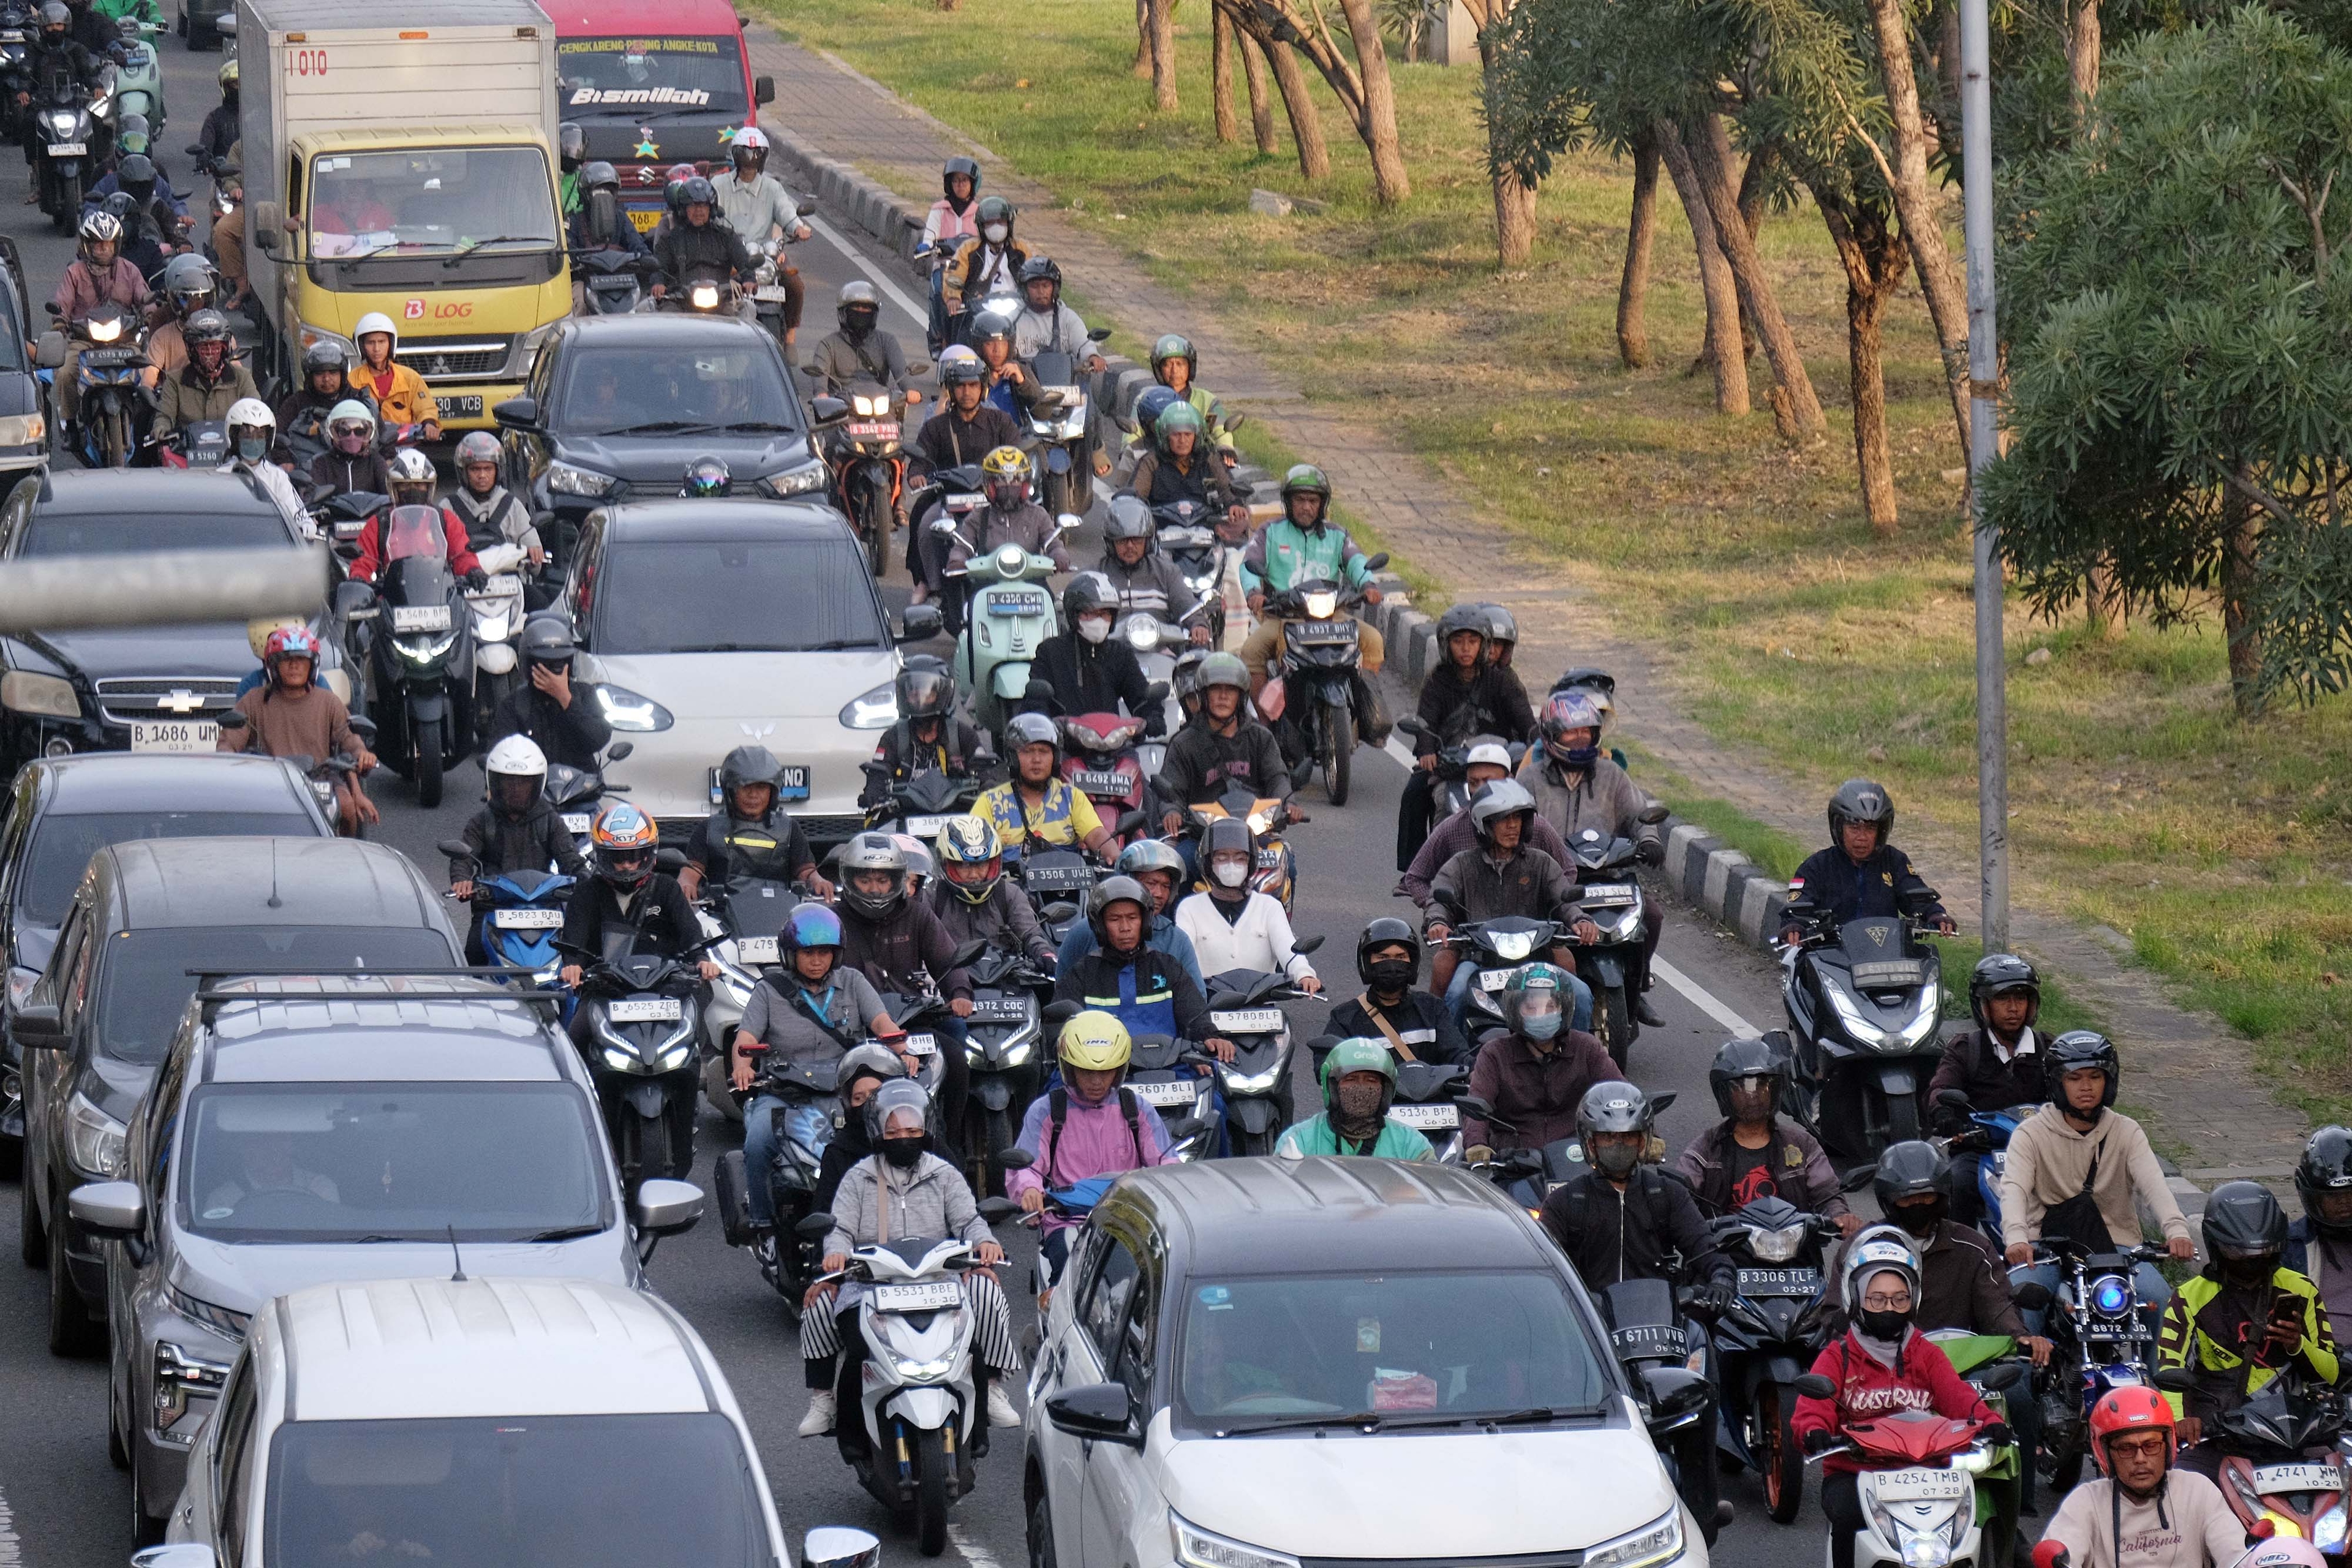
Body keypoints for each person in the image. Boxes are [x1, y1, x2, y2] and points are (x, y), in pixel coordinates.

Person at [1540, 1080, 1733, 1543]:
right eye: (1609, 1139)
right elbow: (1545, 1267)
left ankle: (1704, 1497)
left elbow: (1706, 1251)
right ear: (1589, 1142)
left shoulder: (1668, 1193)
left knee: (1702, 1348)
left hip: (1662, 1329)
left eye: (1628, 1138)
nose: (1619, 1147)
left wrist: (1720, 1279)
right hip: (1591, 1333)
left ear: (1643, 1140)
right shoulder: (1567, 1202)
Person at [799, 1079, 1022, 1439]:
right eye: (895, 1130)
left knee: (985, 1295)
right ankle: (826, 1402)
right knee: (824, 1306)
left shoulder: (945, 1174)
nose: (905, 1136)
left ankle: (991, 1392)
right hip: (871, 1283)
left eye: (913, 1129)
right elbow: (839, 1229)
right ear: (877, 1131)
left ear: (927, 1129)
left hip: (938, 1281)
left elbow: (969, 1220)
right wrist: (835, 1254)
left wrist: (985, 1243)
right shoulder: (857, 1179)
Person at [1792, 1231, 2008, 1568]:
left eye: (1899, 1299)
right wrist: (1813, 1430)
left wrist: (1990, 1422)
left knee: (1972, 1514)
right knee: (1845, 1513)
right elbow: (1812, 1409)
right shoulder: (1838, 1357)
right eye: (1877, 1299)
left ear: (1914, 1300)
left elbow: (1958, 1396)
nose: (1889, 1308)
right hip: (1856, 1471)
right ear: (1856, 1298)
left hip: (1928, 1473)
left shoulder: (1926, 1353)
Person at [1866, 1140, 2048, 1521]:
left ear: (1945, 1196)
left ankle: (2014, 1513)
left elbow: (1998, 1304)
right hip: (1882, 1368)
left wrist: (2020, 1336)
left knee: (2016, 1395)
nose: (1919, 1207)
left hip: (1962, 1370)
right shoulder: (1863, 1247)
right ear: (1887, 1200)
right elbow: (1838, 1312)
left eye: (1928, 1197)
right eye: (1907, 1199)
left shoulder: (1973, 1246)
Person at [2001, 1033, 2195, 1327]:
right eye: (2074, 1078)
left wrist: (2177, 1230)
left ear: (2110, 1081)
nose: (2086, 1087)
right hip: (2046, 1247)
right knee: (2024, 1303)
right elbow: (2013, 1188)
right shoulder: (2030, 1134)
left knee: (2161, 1301)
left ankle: (2160, 1376)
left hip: (2115, 1247)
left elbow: (2154, 1185)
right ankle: (2029, 1372)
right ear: (2057, 1083)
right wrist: (2016, 1238)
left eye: (2095, 1076)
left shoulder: (2127, 1132)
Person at [731, 905, 901, 1234]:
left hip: (842, 1090)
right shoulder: (769, 989)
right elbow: (746, 1038)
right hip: (783, 1092)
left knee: (887, 1133)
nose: (816, 960)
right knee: (757, 1142)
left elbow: (882, 1022)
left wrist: (900, 1051)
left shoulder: (853, 981)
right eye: (807, 952)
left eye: (825, 952)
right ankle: (763, 1223)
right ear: (790, 954)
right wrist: (743, 1067)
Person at [2157, 1181, 2337, 1457]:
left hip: (2293, 1432)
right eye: (2239, 1254)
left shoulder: (2302, 1289)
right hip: (2217, 1432)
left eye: (2264, 1252)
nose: (2252, 1261)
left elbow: (2331, 1373)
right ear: (2217, 1247)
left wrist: (2296, 1344)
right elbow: (2170, 1369)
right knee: (2181, 1489)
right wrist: (2181, 1421)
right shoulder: (2189, 1298)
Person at [1007, 1011, 1177, 1300]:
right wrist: (1029, 1191)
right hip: (1067, 1222)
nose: (1096, 1081)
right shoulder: (1047, 1110)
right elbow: (1027, 1167)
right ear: (1069, 1069)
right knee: (1066, 1281)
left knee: (1156, 1284)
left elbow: (1166, 1163)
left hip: (1128, 1219)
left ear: (1119, 1070)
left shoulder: (1137, 1109)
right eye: (1087, 1071)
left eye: (1105, 1071)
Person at [1523, 688, 1666, 1024]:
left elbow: (1638, 815)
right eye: (1571, 732)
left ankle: (1638, 983)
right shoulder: (1530, 778)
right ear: (1552, 735)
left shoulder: (1611, 774)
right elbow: (1517, 823)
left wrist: (1649, 841)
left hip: (1609, 875)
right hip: (1553, 879)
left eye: (1586, 731)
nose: (1579, 739)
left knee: (1654, 916)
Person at [833, 832, 976, 1140]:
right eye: (866, 881)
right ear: (849, 879)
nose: (875, 889)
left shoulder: (918, 914)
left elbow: (947, 960)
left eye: (883, 881)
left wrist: (960, 993)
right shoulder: (833, 919)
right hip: (852, 1027)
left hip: (912, 1022)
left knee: (955, 1060)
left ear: (898, 880)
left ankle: (948, 1141)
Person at [1425, 780, 1594, 1030]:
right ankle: (1451, 1056)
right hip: (1479, 957)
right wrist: (1438, 922)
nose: (1513, 825)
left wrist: (1580, 920)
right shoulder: (1461, 864)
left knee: (1579, 994)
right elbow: (1439, 898)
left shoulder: (1541, 863)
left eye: (1518, 818)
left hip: (1537, 957)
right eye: (1504, 819)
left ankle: (1578, 1055)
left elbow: (1563, 899)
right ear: (1484, 824)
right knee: (1457, 993)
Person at [2040, 1385, 2248, 1568]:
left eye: (2151, 1445)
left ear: (2168, 1447)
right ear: (2105, 1454)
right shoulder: (2085, 1502)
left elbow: (2234, 1551)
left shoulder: (2198, 1490)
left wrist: (2252, 1558)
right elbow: (2060, 1552)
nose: (2140, 1459)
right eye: (2126, 1448)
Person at [1396, 604, 1534, 870]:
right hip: (1450, 766)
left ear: (1484, 644)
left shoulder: (1502, 681)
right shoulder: (1437, 681)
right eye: (1458, 641)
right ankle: (1415, 869)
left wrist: (1537, 745)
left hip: (1500, 765)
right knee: (1414, 793)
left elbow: (1526, 720)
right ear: (1445, 644)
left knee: (1532, 799)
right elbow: (1426, 721)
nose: (1466, 648)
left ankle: (1532, 857)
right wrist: (1427, 751)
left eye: (1473, 641)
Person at [1676, 1036, 1860, 1233]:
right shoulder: (1705, 1150)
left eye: (1762, 1084)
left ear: (1774, 1089)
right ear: (1725, 1093)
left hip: (1795, 1249)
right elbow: (1678, 1193)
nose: (1752, 1094)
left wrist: (1840, 1216)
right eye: (1741, 1087)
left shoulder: (1802, 1144)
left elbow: (1828, 1194)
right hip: (1726, 1254)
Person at [1055, 877, 1232, 1068]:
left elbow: (1195, 1015)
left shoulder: (1168, 967)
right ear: (1100, 926)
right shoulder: (1082, 974)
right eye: (1115, 920)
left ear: (1145, 922)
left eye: (1133, 918)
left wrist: (1211, 1037)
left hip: (1170, 1068)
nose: (1125, 928)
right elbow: (1061, 1028)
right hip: (1103, 1075)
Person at [216, 625, 375, 832]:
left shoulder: (329, 702)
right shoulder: (252, 700)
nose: (294, 666)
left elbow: (349, 738)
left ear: (313, 665)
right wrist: (229, 757)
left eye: (301, 660)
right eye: (286, 659)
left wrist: (362, 754)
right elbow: (229, 742)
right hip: (268, 781)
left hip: (320, 780)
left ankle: (347, 858)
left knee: (347, 808)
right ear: (273, 666)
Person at [1930, 952, 2048, 1227]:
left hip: (2041, 1151)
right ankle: (1961, 1257)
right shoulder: (1965, 1048)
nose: (2013, 1008)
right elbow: (1941, 1087)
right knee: (1957, 1184)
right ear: (1983, 1005)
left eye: (2021, 999)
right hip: (1980, 1150)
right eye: (2003, 999)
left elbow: (2069, 1090)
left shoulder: (2048, 1050)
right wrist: (1944, 1113)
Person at [447, 736, 587, 962]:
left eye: (523, 783)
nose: (516, 789)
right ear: (495, 782)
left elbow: (570, 858)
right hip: (494, 904)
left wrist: (585, 879)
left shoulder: (550, 821)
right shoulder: (481, 822)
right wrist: (462, 879)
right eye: (509, 782)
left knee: (576, 958)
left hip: (543, 906)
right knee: (473, 956)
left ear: (536, 785)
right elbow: (464, 856)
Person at [557, 801, 720, 986]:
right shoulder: (586, 892)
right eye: (618, 858)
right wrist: (573, 965)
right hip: (604, 988)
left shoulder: (667, 887)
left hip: (664, 987)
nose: (627, 865)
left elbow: (690, 931)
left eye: (633, 856)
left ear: (648, 854)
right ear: (603, 855)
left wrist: (702, 959)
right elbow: (574, 941)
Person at [1458, 963, 1615, 1155]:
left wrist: (1648, 1137)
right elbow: (1478, 1104)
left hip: (1576, 1158)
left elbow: (1621, 1094)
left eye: (1551, 1007)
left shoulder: (1587, 1048)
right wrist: (1476, 1144)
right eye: (1531, 1008)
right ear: (1515, 1011)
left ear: (1563, 1009)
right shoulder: (1494, 1054)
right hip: (1515, 1163)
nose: (1542, 1014)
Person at [1398, 739, 1572, 905]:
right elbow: (1415, 877)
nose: (1482, 789)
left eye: (1489, 781)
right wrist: (1438, 909)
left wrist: (1549, 904)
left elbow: (1568, 871)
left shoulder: (1536, 826)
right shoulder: (1452, 828)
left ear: (1510, 780)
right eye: (1474, 782)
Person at [1780, 778, 1954, 942]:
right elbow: (1798, 904)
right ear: (1839, 828)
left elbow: (1916, 894)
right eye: (1854, 828)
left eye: (1870, 829)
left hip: (1885, 954)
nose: (1862, 837)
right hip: (1832, 957)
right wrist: (1795, 925)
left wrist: (1936, 914)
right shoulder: (1816, 866)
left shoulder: (1894, 861)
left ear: (1881, 831)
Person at [1239, 462, 1385, 652]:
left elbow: (1357, 562)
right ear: (1289, 502)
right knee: (1251, 651)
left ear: (1322, 504)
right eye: (1300, 500)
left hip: (1332, 618)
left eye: (1313, 501)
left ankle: (1356, 681)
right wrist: (1254, 593)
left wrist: (1368, 585)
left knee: (1373, 640)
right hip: (1283, 617)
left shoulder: (1337, 535)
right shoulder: (1270, 531)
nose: (1306, 507)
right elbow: (1249, 564)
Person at [1155, 653, 1297, 833]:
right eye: (1215, 689)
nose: (1223, 696)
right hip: (1201, 835)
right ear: (1204, 695)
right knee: (1175, 859)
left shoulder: (1261, 737)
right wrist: (1172, 811)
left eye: (1230, 690)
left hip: (1254, 832)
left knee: (1284, 858)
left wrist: (1288, 802)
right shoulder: (1184, 743)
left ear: (1241, 696)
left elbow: (1276, 778)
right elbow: (1172, 791)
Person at [1173, 816, 1319, 990]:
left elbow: (1288, 948)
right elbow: (1181, 956)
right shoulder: (1189, 909)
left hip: (1262, 1005)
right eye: (1222, 858)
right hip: (1206, 1005)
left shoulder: (1270, 907)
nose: (1231, 865)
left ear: (1250, 863)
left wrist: (1304, 974)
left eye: (1240, 858)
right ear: (1208, 863)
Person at [680, 744, 829, 902]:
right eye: (746, 787)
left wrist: (818, 880)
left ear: (773, 792)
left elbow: (806, 871)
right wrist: (686, 883)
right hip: (721, 913)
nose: (753, 795)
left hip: (778, 908)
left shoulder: (790, 828)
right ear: (730, 790)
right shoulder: (709, 829)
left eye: (761, 788)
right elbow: (692, 870)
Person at [1053, 838, 1204, 992]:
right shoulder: (1084, 933)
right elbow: (1064, 997)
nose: (1159, 893)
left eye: (1166, 886)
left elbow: (1196, 1001)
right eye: (1151, 883)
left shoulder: (1177, 940)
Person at [1326, 918, 1472, 1068]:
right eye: (1383, 957)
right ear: (1367, 963)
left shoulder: (1432, 1009)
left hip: (1432, 1092)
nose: (1392, 965)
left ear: (1412, 963)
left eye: (1401, 957)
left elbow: (1458, 1055)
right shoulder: (1345, 1018)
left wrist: (1474, 1068)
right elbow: (1327, 1064)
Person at [974, 712, 1118, 862]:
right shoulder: (990, 802)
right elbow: (974, 847)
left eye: (1044, 752)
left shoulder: (1071, 797)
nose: (1036, 759)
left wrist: (1113, 854)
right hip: (1011, 884)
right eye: (1027, 752)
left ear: (1055, 758)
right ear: (1012, 758)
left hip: (1068, 883)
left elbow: (1095, 834)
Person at [709, 126, 807, 343]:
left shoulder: (772, 187)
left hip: (766, 255)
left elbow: (786, 212)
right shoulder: (719, 185)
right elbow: (712, 216)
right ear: (736, 156)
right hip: (730, 254)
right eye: (746, 154)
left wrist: (797, 228)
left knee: (795, 285)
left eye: (756, 155)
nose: (750, 161)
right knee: (712, 290)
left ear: (763, 157)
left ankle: (790, 334)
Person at [859, 657, 996, 807]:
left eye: (927, 694)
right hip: (905, 813)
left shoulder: (962, 734)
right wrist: (873, 792)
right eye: (913, 694)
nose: (920, 700)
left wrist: (988, 787)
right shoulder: (894, 737)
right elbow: (880, 772)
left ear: (943, 694)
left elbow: (982, 771)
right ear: (904, 695)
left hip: (957, 814)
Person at [927, 815, 1055, 968]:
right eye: (964, 865)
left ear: (993, 862)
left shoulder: (1009, 894)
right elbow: (918, 941)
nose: (974, 874)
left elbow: (1030, 933)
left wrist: (1045, 954)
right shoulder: (932, 896)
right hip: (948, 982)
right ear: (946, 863)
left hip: (1005, 980)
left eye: (981, 864)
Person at [486, 616, 612, 771]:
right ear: (529, 665)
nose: (552, 672)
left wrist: (566, 699)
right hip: (531, 790)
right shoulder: (514, 705)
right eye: (545, 665)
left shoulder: (585, 694)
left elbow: (597, 739)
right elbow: (498, 754)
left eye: (559, 664)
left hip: (577, 789)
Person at [1031, 571, 1157, 727]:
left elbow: (1139, 696)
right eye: (1090, 613)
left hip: (1112, 744)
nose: (1099, 620)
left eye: (1105, 614)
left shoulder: (1120, 654)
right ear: (1073, 614)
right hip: (1065, 745)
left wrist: (1152, 715)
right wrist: (1043, 721)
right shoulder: (1050, 652)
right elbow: (1036, 701)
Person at [347, 449, 487, 587]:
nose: (413, 490)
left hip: (440, 595)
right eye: (405, 485)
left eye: (420, 485)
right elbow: (363, 561)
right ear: (393, 488)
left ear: (429, 488)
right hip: (393, 597)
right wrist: (358, 579)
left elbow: (462, 554)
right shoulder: (380, 524)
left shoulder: (445, 520)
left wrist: (473, 570)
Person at [1276, 1037, 1431, 1160]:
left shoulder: (1412, 1146)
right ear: (1332, 1087)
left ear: (1386, 1091)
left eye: (1371, 1081)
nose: (1360, 1088)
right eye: (1351, 1080)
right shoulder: (1297, 1142)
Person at [943, 445, 1070, 579]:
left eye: (1016, 481)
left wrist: (1059, 554)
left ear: (1025, 484)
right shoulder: (979, 516)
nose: (1009, 486)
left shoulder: (1038, 515)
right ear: (989, 486)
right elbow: (964, 546)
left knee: (1055, 600)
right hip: (988, 583)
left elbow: (1053, 543)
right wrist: (957, 560)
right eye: (1001, 481)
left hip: (1031, 583)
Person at [1096, 493, 1208, 638]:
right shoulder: (1096, 575)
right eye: (1122, 541)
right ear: (1110, 544)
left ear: (1148, 541)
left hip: (1161, 652)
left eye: (1137, 540)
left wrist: (1198, 624)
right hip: (1111, 654)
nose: (1130, 546)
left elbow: (1185, 604)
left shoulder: (1167, 572)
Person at [1126, 402, 1246, 530]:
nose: (1182, 441)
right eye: (1176, 434)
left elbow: (1226, 488)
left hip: (1206, 530)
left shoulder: (1210, 458)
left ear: (1197, 436)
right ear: (1165, 436)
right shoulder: (1152, 461)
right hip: (1161, 532)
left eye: (1188, 434)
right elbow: (1136, 495)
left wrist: (1235, 504)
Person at [652, 176, 757, 320]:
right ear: (683, 209)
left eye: (704, 206)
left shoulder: (727, 236)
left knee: (748, 310)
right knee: (655, 317)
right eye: (693, 205)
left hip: (722, 301)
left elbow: (744, 262)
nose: (699, 211)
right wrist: (658, 283)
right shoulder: (670, 239)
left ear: (712, 208)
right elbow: (658, 266)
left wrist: (749, 279)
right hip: (680, 302)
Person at [151, 307, 257, 442]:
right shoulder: (175, 381)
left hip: (232, 455)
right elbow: (165, 415)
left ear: (224, 348)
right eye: (203, 347)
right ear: (192, 350)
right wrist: (162, 427)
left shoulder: (242, 378)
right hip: (187, 455)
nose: (210, 352)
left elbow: (255, 412)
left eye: (215, 346)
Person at [445, 431, 544, 573]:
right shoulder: (448, 508)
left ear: (498, 471)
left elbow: (536, 568)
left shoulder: (513, 506)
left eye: (488, 469)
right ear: (463, 472)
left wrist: (534, 554)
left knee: (540, 596)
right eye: (475, 469)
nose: (482, 475)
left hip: (509, 584)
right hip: (461, 585)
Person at [806, 279, 918, 400]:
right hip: (842, 406)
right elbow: (820, 372)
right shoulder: (828, 345)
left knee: (895, 418)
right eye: (856, 307)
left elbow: (900, 369)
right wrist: (821, 392)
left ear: (874, 313)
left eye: (866, 308)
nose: (861, 311)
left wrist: (910, 389)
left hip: (880, 402)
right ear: (843, 312)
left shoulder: (887, 341)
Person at [274, 342, 376, 471]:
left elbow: (380, 437)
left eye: (333, 372)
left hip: (357, 470)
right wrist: (284, 460)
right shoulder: (296, 403)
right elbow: (277, 435)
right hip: (310, 474)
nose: (327, 379)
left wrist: (387, 458)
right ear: (310, 376)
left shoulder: (360, 400)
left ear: (342, 374)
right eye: (319, 373)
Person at [2288, 1125, 2352, 1327]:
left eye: (2350, 1193)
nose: (2344, 1203)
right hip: (2319, 1353)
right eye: (2332, 1197)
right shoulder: (2291, 1246)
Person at [220, 399, 311, 536]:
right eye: (247, 435)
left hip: (271, 544)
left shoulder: (277, 476)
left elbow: (298, 514)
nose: (254, 441)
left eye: (260, 435)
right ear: (234, 437)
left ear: (268, 438)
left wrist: (306, 525)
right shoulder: (221, 476)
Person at [345, 312, 441, 439]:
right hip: (366, 448)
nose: (377, 348)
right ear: (362, 346)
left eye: (382, 342)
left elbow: (425, 409)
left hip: (404, 446)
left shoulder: (410, 377)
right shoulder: (352, 380)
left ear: (391, 343)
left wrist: (429, 424)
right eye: (370, 343)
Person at [919, 156, 981, 352]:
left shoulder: (980, 213)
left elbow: (987, 239)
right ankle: (938, 336)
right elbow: (930, 235)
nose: (960, 185)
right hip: (946, 267)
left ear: (973, 183)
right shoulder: (939, 210)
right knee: (939, 292)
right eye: (956, 180)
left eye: (965, 180)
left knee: (984, 299)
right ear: (949, 184)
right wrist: (926, 245)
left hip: (972, 270)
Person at [1146, 333, 1234, 464]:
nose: (1174, 370)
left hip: (1199, 466)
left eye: (1180, 364)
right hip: (1158, 465)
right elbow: (1133, 432)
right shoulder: (1147, 401)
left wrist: (1226, 447)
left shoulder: (1208, 400)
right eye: (1168, 365)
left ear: (1190, 367)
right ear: (1158, 369)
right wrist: (1128, 449)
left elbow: (1221, 430)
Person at [1011, 255, 1105, 372]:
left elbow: (1083, 343)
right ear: (1024, 289)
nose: (1041, 292)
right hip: (1026, 385)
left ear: (1055, 288)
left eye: (1046, 286)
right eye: (1034, 286)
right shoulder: (1014, 320)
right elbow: (1004, 351)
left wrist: (1092, 356)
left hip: (1065, 383)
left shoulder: (1067, 317)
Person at [943, 194, 1025, 321]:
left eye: (1001, 222)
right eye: (990, 223)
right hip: (978, 312)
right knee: (961, 335)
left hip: (1017, 312)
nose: (996, 226)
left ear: (1009, 224)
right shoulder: (968, 249)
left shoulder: (1021, 250)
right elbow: (954, 273)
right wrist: (953, 297)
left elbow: (1033, 275)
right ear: (981, 226)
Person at [971, 307, 1046, 421]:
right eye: (990, 344)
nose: (997, 351)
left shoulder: (1019, 371)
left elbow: (1043, 414)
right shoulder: (970, 375)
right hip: (982, 436)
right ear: (979, 346)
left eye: (1003, 344)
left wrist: (1022, 382)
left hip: (1016, 436)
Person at [308, 399, 392, 499]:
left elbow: (390, 499)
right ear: (332, 432)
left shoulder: (376, 461)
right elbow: (313, 500)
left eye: (360, 431)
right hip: (334, 514)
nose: (352, 437)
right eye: (344, 431)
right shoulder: (321, 463)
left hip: (372, 514)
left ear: (369, 432)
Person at [197, 56, 237, 162]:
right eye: (234, 84)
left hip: (256, 175)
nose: (238, 88)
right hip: (225, 176)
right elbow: (205, 146)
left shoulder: (256, 116)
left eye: (241, 84)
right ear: (224, 87)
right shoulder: (215, 118)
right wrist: (204, 160)